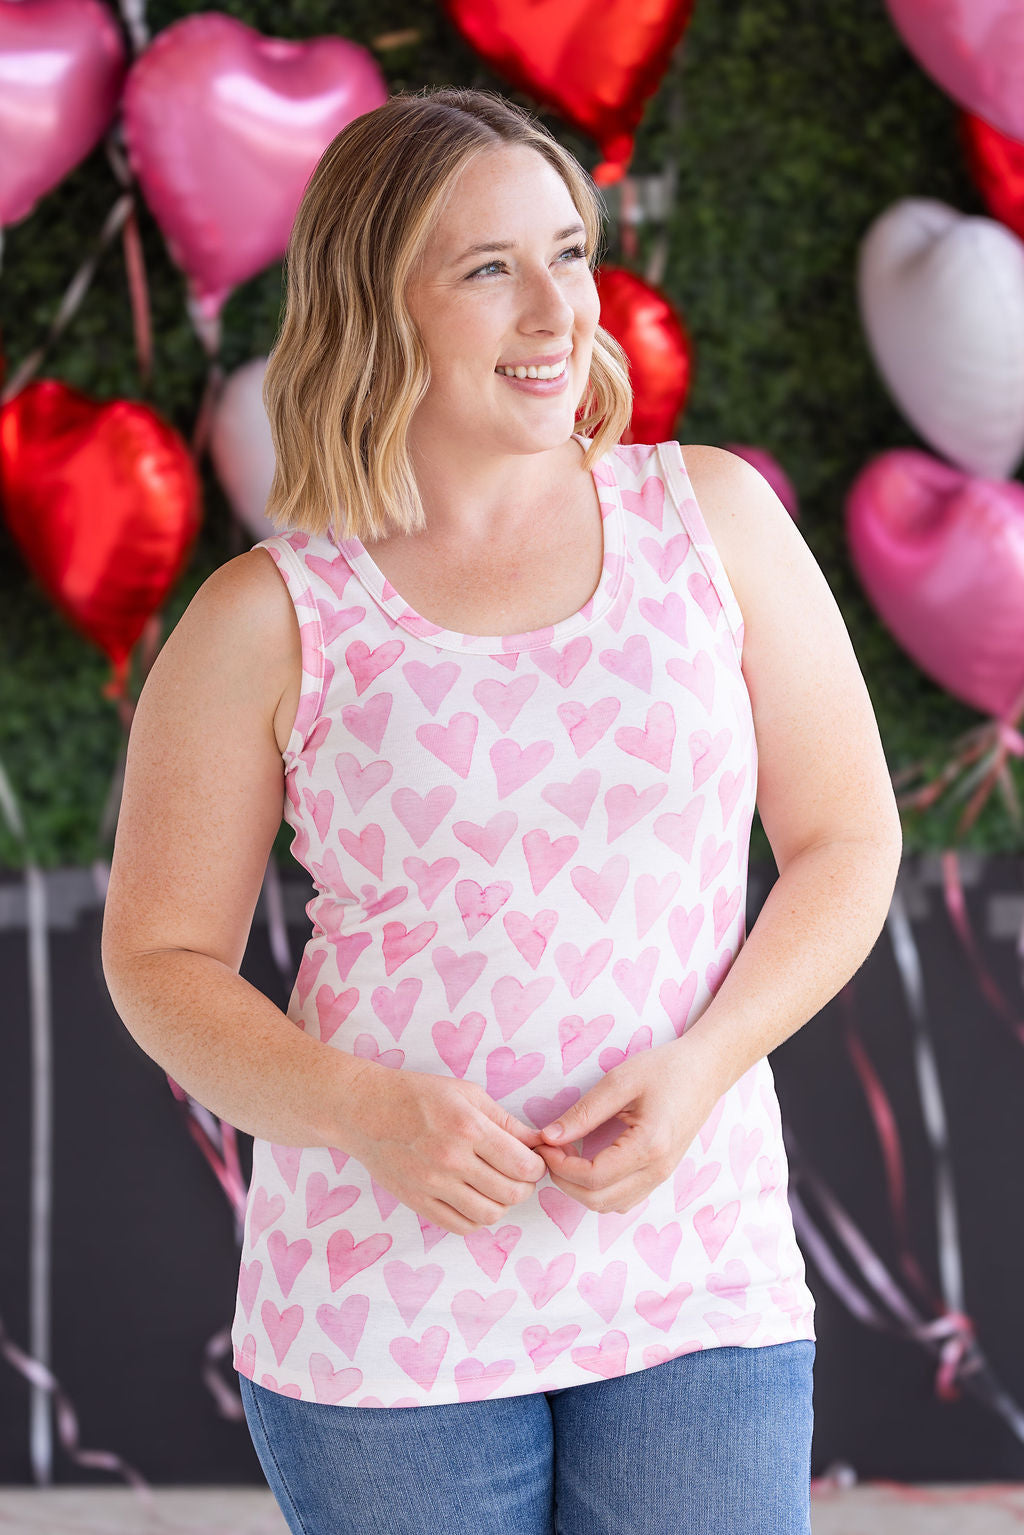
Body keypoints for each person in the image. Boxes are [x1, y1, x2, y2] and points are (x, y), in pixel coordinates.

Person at [100, 85, 903, 1535]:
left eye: (569, 251)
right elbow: (159, 965)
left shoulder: (713, 521)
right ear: (376, 306)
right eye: (489, 268)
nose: (556, 310)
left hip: (689, 1270)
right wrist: (359, 1109)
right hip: (381, 1306)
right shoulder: (265, 620)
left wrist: (707, 1063)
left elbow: (848, 842)